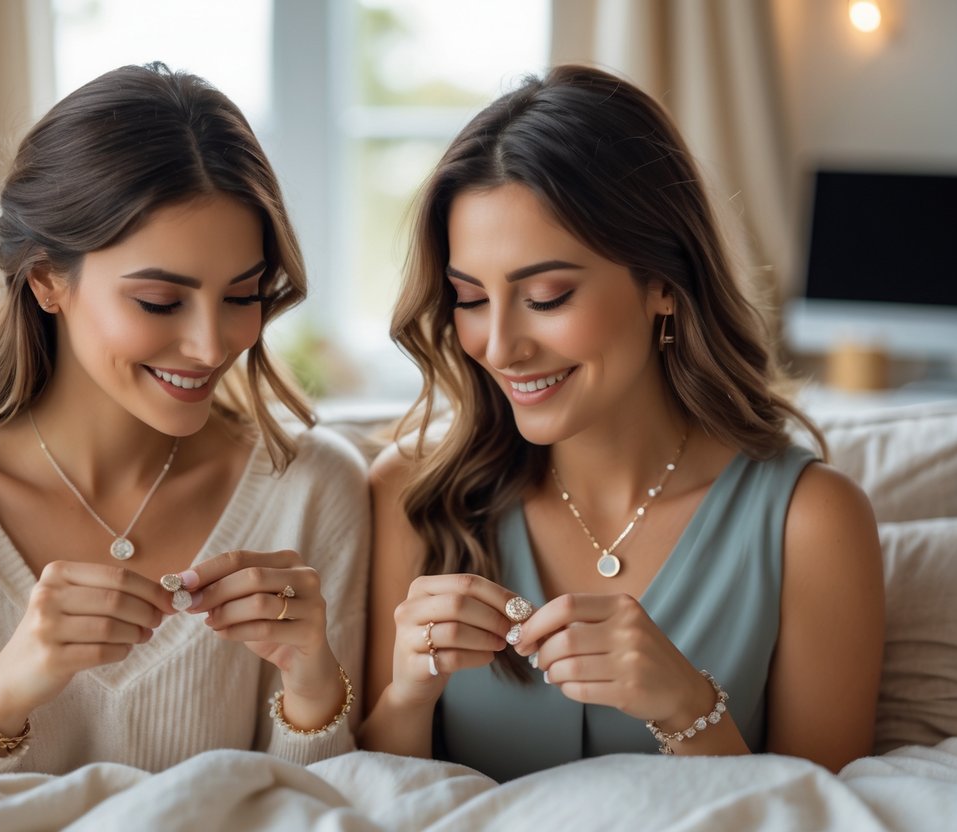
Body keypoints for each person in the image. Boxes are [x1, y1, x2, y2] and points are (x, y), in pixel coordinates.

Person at [0, 63, 368, 779]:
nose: (211, 344)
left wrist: (312, 686)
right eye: (161, 302)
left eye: (242, 295)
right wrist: (2, 695)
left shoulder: (314, 488)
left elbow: (331, 803)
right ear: (46, 280)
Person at [359, 65, 883, 780]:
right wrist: (408, 695)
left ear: (662, 284)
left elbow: (826, 812)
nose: (500, 345)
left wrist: (687, 709)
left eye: (546, 296)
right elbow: (367, 795)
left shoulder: (812, 522)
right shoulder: (410, 497)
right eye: (469, 298)